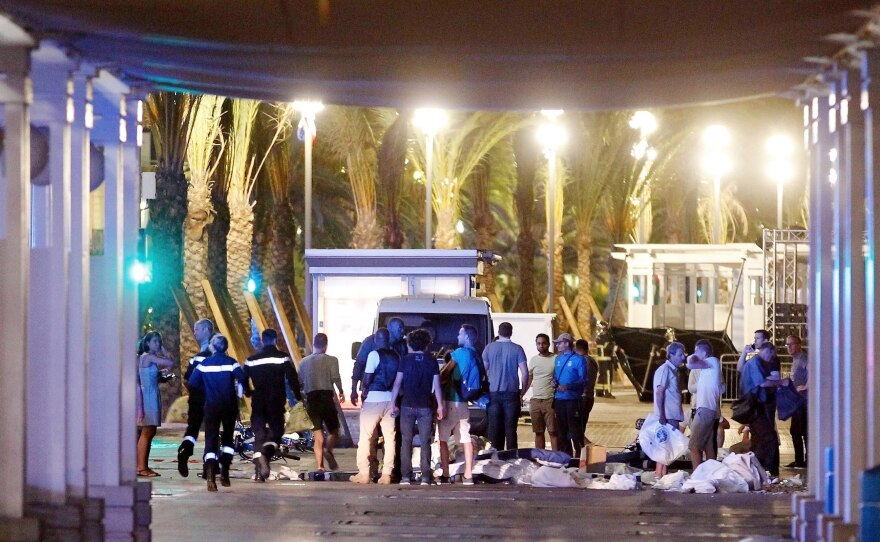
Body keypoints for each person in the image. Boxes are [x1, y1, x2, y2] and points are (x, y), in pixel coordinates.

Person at [244, 328, 303, 481]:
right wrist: (298, 396)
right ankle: (265, 453)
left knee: (260, 433)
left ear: (263, 340)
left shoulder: (252, 360)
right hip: (276, 400)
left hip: (258, 400)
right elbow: (292, 378)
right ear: (275, 340)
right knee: (276, 432)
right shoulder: (282, 358)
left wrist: (249, 392)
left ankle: (259, 473)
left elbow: (243, 379)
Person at [187, 334, 245, 492]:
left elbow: (192, 382)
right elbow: (243, 378)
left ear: (212, 346)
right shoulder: (232, 363)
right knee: (227, 440)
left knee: (211, 439)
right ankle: (225, 471)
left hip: (211, 406)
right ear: (225, 347)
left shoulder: (204, 364)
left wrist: (206, 390)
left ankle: (211, 474)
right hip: (229, 406)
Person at [391, 328, 443, 485]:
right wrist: (440, 406)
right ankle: (426, 476)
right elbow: (437, 386)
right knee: (425, 440)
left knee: (406, 440)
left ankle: (406, 476)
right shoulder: (432, 361)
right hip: (425, 405)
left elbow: (397, 384)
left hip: (407, 404)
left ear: (411, 343)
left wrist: (393, 403)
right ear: (426, 344)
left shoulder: (405, 360)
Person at [351, 328, 400, 484]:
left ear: (377, 340)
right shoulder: (396, 356)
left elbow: (367, 378)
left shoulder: (374, 354)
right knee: (390, 438)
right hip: (390, 399)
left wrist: (362, 391)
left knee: (365, 437)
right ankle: (386, 474)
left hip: (374, 399)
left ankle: (364, 472)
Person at [437, 324, 479, 485]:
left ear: (467, 337)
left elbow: (443, 374)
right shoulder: (475, 353)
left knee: (442, 439)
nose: (457, 337)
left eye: (460, 334)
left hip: (451, 400)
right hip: (464, 402)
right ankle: (468, 474)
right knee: (466, 439)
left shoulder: (459, 353)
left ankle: (446, 474)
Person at [299, 333, 346, 473]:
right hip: (326, 398)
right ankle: (328, 450)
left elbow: (300, 381)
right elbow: (336, 377)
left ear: (314, 344)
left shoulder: (303, 362)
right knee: (334, 430)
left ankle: (320, 466)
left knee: (317, 436)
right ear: (325, 346)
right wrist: (341, 391)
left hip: (312, 399)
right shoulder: (332, 360)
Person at [482, 322, 528, 451]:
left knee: (494, 431)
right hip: (512, 395)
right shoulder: (517, 349)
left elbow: (483, 372)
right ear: (511, 332)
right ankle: (512, 458)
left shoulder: (489, 348)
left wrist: (484, 389)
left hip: (493, 394)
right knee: (511, 430)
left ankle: (495, 458)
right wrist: (522, 393)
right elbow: (525, 373)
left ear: (498, 332)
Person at [177, 319, 215, 477]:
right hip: (211, 398)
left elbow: (187, 379)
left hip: (197, 398)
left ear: (207, 330)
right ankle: (209, 467)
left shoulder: (198, 358)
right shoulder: (215, 355)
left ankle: (185, 453)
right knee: (211, 432)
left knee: (192, 429)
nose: (195, 332)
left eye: (197, 329)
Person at [136, 331, 176, 478]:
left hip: (151, 394)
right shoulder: (148, 357)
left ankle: (141, 465)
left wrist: (160, 376)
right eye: (155, 342)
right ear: (147, 344)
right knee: (148, 431)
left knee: (148, 431)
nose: (158, 344)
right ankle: (141, 467)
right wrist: (164, 350)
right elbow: (172, 362)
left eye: (159, 342)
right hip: (148, 397)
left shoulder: (147, 358)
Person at [741, 342, 782, 478]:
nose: (772, 358)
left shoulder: (753, 363)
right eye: (772, 354)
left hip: (752, 405)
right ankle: (769, 469)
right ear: (768, 351)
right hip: (756, 405)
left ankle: (757, 468)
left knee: (758, 438)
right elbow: (762, 382)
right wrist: (781, 382)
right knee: (769, 437)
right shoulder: (756, 363)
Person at [685, 339, 724, 469]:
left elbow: (691, 362)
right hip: (709, 410)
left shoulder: (712, 361)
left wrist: (692, 356)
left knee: (694, 446)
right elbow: (690, 365)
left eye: (697, 351)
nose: (695, 353)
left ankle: (698, 475)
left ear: (704, 352)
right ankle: (710, 473)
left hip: (705, 410)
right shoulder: (707, 368)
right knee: (708, 445)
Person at [352, 317, 407, 405]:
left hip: (393, 394)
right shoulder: (371, 342)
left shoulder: (402, 345)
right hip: (371, 393)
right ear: (390, 329)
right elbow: (359, 364)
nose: (403, 331)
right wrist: (353, 389)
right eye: (400, 328)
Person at [653, 341, 686, 478]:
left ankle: (661, 474)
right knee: (665, 446)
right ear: (670, 355)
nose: (683, 357)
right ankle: (660, 475)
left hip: (671, 414)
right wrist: (661, 414)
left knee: (666, 447)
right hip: (667, 415)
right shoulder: (665, 370)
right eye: (680, 354)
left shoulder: (673, 370)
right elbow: (659, 392)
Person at [552, 333, 587, 458]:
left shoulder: (579, 360)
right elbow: (555, 375)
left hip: (573, 401)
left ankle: (579, 456)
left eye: (559, 343)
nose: (557, 345)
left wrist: (569, 386)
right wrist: (553, 381)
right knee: (562, 431)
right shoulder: (557, 359)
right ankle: (566, 457)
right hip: (559, 400)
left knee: (575, 430)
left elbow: (583, 380)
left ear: (567, 343)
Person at [525, 333, 558, 450]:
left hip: (550, 400)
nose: (541, 345)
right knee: (538, 432)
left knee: (553, 432)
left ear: (548, 344)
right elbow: (529, 378)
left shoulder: (555, 359)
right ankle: (540, 458)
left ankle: (556, 458)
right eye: (538, 343)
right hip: (535, 401)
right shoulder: (533, 360)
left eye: (544, 343)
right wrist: (521, 393)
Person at [785, 335, 808, 468]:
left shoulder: (804, 358)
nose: (789, 347)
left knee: (804, 431)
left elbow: (813, 372)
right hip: (797, 400)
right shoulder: (796, 359)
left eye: (792, 344)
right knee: (795, 431)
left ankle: (806, 459)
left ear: (799, 344)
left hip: (804, 401)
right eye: (787, 345)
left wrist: (805, 386)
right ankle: (798, 459)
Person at [574, 339, 600, 444]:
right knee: (580, 428)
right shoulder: (592, 361)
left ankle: (591, 448)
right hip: (589, 397)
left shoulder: (581, 361)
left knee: (576, 430)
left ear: (576, 348)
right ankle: (582, 453)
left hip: (581, 398)